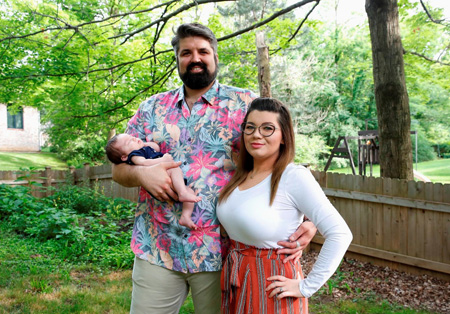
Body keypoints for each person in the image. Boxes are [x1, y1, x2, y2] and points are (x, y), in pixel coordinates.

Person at [111, 23, 318, 314]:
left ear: (215, 57)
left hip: (221, 252)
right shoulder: (151, 109)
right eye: (186, 52)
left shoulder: (245, 104)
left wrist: (310, 218)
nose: (195, 58)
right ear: (177, 59)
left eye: (202, 51)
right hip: (156, 247)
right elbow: (118, 171)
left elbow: (281, 158)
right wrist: (140, 173)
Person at [217, 97, 353, 314]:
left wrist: (306, 286)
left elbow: (340, 233)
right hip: (237, 275)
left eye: (268, 128)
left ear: (283, 136)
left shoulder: (293, 176)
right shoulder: (241, 175)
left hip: (272, 284)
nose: (256, 134)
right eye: (250, 127)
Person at [105, 133, 201, 229]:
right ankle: (182, 193)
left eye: (132, 137)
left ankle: (185, 216)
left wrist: (144, 144)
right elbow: (145, 163)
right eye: (129, 141)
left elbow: (156, 148)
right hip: (163, 178)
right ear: (124, 157)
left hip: (171, 180)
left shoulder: (143, 148)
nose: (134, 139)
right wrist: (163, 159)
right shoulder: (134, 156)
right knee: (174, 168)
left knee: (190, 191)